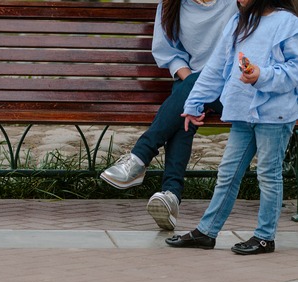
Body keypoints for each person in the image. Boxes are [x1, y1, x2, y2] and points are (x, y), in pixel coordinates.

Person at [166, 0, 298, 255]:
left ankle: (264, 237)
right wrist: (194, 102)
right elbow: (215, 68)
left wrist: (262, 75)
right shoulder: (238, 22)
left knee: (268, 176)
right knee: (227, 174)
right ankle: (206, 232)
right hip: (241, 112)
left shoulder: (288, 23)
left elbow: (295, 70)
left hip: (274, 115)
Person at [100, 0, 238, 230]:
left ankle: (140, 158)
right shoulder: (171, 5)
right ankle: (170, 197)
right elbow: (171, 54)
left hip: (233, 86)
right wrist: (197, 86)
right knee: (185, 116)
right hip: (191, 82)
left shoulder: (235, 2)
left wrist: (202, 84)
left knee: (188, 96)